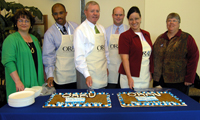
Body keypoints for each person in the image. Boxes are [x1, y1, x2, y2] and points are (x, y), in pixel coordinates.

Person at [1, 9, 44, 99]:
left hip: (36, 83)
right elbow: (8, 62)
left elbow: (38, 60)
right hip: (20, 84)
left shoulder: (35, 39)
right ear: (16, 23)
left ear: (31, 24)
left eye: (26, 21)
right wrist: (17, 81)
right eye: (20, 20)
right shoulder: (11, 39)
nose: (23, 23)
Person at [153, 13, 199, 95]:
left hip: (179, 81)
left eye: (174, 20)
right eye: (169, 20)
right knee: (160, 105)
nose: (171, 23)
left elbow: (194, 58)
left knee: (178, 105)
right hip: (160, 80)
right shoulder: (160, 38)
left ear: (179, 23)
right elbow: (153, 56)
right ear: (166, 23)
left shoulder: (186, 38)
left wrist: (190, 78)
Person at [74, 1, 109, 89]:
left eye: (97, 11)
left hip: (101, 73)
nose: (95, 14)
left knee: (102, 99)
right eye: (92, 11)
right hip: (87, 74)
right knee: (88, 100)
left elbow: (105, 51)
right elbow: (79, 57)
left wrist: (106, 66)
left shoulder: (101, 28)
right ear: (85, 12)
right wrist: (87, 75)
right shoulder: (80, 30)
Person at [42, 3, 78, 89]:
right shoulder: (50, 33)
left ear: (66, 13)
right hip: (61, 77)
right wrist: (50, 75)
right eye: (55, 14)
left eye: (61, 13)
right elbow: (48, 57)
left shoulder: (76, 27)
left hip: (76, 74)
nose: (58, 16)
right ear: (52, 15)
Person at [118, 6, 154, 89]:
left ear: (140, 18)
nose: (134, 22)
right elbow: (125, 59)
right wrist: (129, 77)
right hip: (130, 78)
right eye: (131, 19)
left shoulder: (146, 34)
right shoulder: (125, 36)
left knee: (142, 101)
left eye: (136, 18)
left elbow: (149, 56)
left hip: (145, 76)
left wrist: (150, 73)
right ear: (128, 20)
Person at [105, 6, 129, 89]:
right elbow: (104, 52)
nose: (118, 17)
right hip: (110, 70)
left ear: (124, 16)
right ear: (112, 15)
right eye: (116, 15)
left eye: (120, 15)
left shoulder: (129, 30)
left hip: (125, 70)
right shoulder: (106, 31)